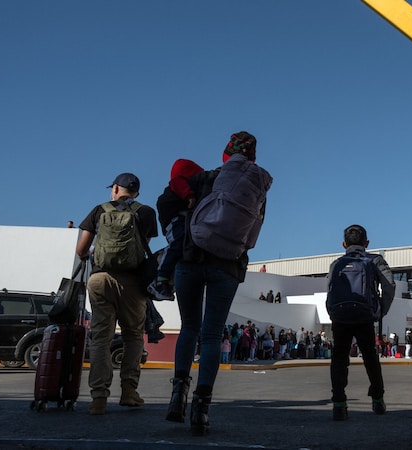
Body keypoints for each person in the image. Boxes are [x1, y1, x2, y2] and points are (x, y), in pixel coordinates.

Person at [165, 130, 269, 436]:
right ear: (253, 158)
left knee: (189, 328)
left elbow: (172, 197)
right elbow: (253, 235)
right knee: (211, 336)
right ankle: (201, 409)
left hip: (191, 259)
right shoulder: (257, 188)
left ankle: (177, 396)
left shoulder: (206, 178)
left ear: (226, 154)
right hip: (227, 266)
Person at [75, 173, 158, 416]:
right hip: (133, 282)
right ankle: (129, 392)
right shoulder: (146, 212)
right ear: (137, 193)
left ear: (114, 189)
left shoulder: (98, 210)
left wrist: (91, 253)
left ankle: (98, 397)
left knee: (101, 337)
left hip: (101, 279)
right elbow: (143, 245)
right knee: (133, 336)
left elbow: (80, 250)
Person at [326, 224, 395, 421]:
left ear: (343, 244)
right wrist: (380, 311)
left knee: (339, 358)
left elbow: (329, 290)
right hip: (364, 315)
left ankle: (339, 404)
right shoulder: (375, 260)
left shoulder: (336, 263)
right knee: (370, 357)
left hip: (340, 317)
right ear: (366, 243)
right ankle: (378, 399)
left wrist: (333, 314)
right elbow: (389, 287)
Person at [148, 158, 205, 300]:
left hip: (181, 221)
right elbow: (178, 182)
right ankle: (160, 279)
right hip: (174, 221)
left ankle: (168, 283)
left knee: (184, 247)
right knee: (177, 243)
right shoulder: (178, 183)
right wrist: (189, 195)